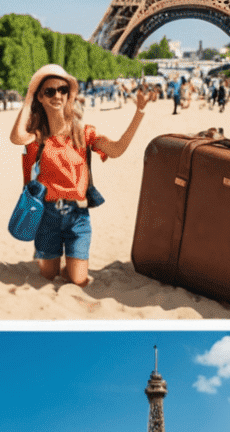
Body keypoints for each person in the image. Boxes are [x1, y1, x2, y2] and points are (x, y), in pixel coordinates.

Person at [10, 64, 151, 286]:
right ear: (41, 97)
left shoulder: (83, 134)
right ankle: (54, 257)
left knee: (78, 279)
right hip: (46, 214)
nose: (57, 95)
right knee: (48, 275)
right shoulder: (38, 136)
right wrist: (28, 98)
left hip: (77, 215)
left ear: (69, 95)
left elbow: (116, 150)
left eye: (62, 90)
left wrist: (139, 113)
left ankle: (71, 262)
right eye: (49, 91)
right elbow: (17, 137)